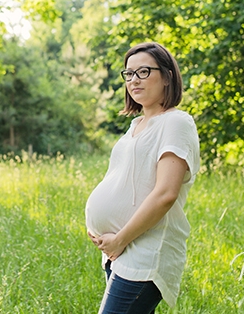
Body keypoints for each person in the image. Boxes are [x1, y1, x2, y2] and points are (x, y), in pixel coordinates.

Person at [85, 42, 200, 314]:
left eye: (144, 72)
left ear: (167, 76)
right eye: (129, 74)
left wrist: (121, 238)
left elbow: (165, 194)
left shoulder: (176, 122)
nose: (134, 80)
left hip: (147, 248)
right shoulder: (136, 124)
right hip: (120, 249)